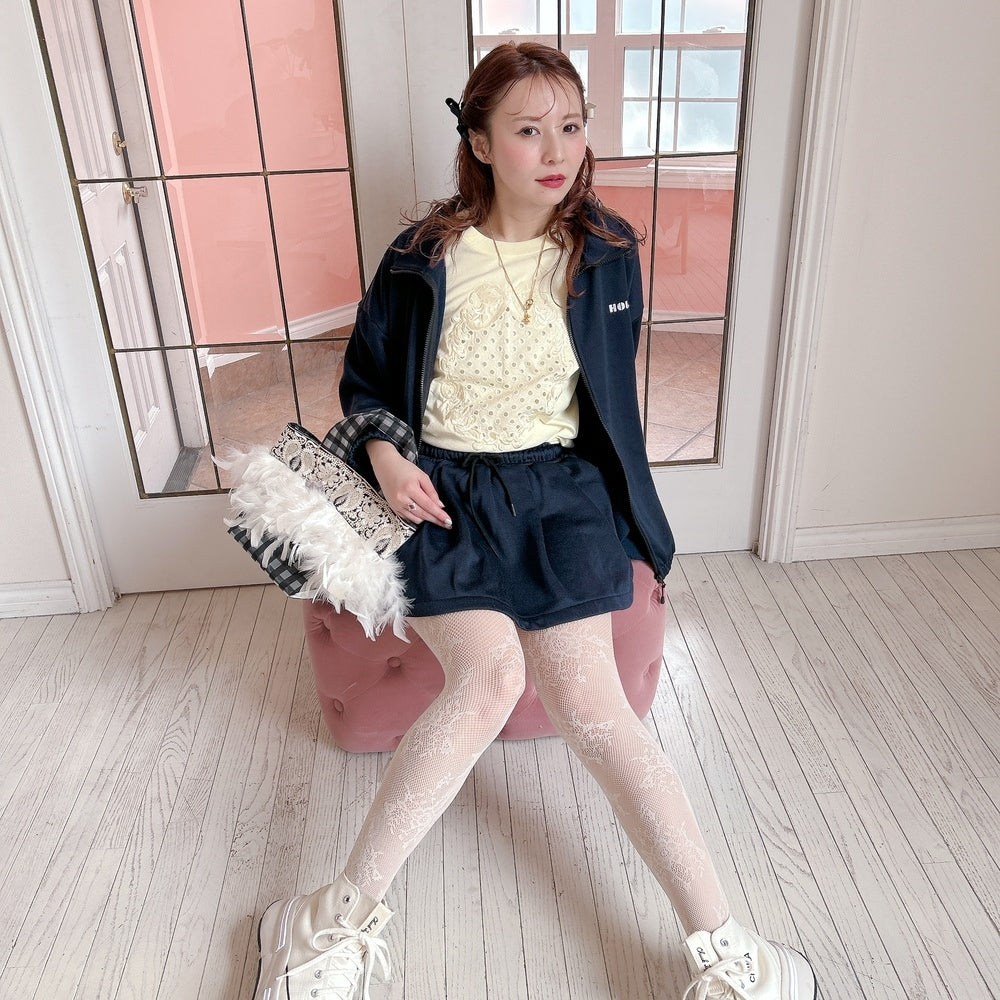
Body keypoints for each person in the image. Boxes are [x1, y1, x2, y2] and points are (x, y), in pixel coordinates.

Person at [252, 42, 816, 1000]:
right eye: (527, 129)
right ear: (479, 141)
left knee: (598, 714)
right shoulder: (424, 256)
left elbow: (609, 401)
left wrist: (632, 522)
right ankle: (327, 919)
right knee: (488, 680)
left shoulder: (606, 252)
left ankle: (726, 950)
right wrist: (386, 457)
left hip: (559, 494)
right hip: (441, 494)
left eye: (571, 124)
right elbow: (366, 380)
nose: (557, 150)